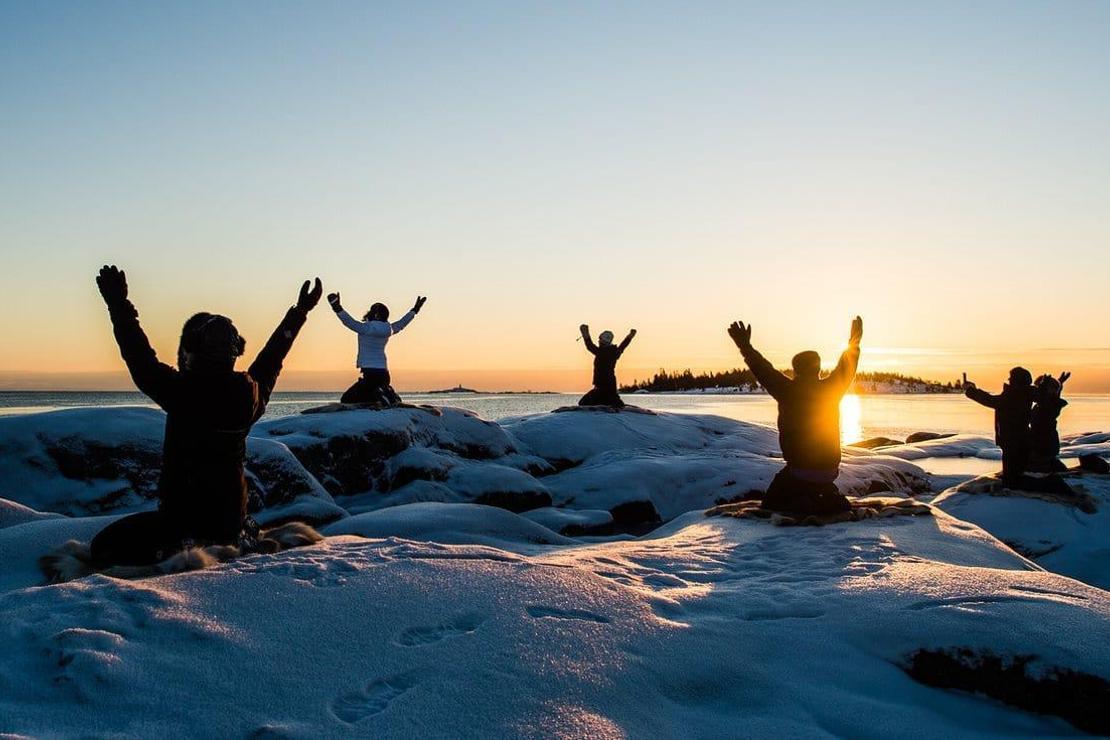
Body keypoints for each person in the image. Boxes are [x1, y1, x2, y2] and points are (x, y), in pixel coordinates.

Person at [90, 265, 323, 566]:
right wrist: (299, 313)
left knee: (104, 547)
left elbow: (138, 356)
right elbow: (271, 359)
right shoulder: (249, 393)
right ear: (234, 352)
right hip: (230, 523)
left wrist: (118, 305)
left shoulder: (181, 391)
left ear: (191, 351)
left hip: (183, 524)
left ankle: (177, 549)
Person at [728, 316, 863, 515]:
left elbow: (762, 368)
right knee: (812, 483)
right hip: (830, 471)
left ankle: (806, 502)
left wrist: (745, 346)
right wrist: (854, 342)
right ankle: (826, 496)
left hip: (799, 472)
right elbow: (848, 366)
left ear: (795, 370)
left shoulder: (786, 390)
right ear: (818, 369)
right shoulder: (832, 389)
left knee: (771, 504)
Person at [328, 292, 427, 405]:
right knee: (366, 396)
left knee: (346, 399)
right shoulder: (389, 329)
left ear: (374, 314)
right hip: (384, 374)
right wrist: (415, 310)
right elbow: (402, 323)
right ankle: (385, 393)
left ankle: (383, 395)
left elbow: (348, 321)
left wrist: (337, 307)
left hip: (370, 374)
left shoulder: (365, 328)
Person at [964, 367, 1035, 487]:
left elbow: (992, 401)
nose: (1009, 379)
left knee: (1012, 470)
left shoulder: (1016, 394)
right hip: (1017, 436)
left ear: (1017, 380)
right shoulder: (1025, 393)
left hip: (1012, 437)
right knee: (1017, 467)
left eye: (1011, 377)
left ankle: (1013, 489)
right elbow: (995, 400)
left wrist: (971, 391)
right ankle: (1015, 485)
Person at [578, 324, 636, 408]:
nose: (598, 341)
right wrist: (630, 336)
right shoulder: (615, 352)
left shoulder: (601, 352)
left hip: (602, 387)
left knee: (583, 403)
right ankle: (613, 405)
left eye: (600, 339)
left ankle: (612, 406)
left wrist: (585, 333)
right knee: (613, 402)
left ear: (603, 341)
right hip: (609, 386)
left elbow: (589, 345)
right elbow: (623, 345)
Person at [1028, 372, 1071, 474]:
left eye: (1038, 388)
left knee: (1042, 463)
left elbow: (1044, 397)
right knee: (1046, 462)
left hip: (1043, 440)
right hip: (1045, 440)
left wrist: (1045, 384)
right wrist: (1060, 382)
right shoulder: (1050, 402)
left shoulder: (1047, 405)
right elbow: (1051, 393)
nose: (1036, 390)